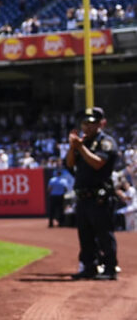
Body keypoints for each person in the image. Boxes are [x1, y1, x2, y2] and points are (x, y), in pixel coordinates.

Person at [66, 106, 119, 280]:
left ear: (100, 124)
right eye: (84, 124)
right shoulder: (83, 142)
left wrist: (80, 148)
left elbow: (98, 163)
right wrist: (72, 147)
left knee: (104, 234)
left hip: (99, 198)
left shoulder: (106, 142)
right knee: (85, 236)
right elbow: (69, 164)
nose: (87, 127)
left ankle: (110, 268)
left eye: (91, 123)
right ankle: (89, 267)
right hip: (82, 196)